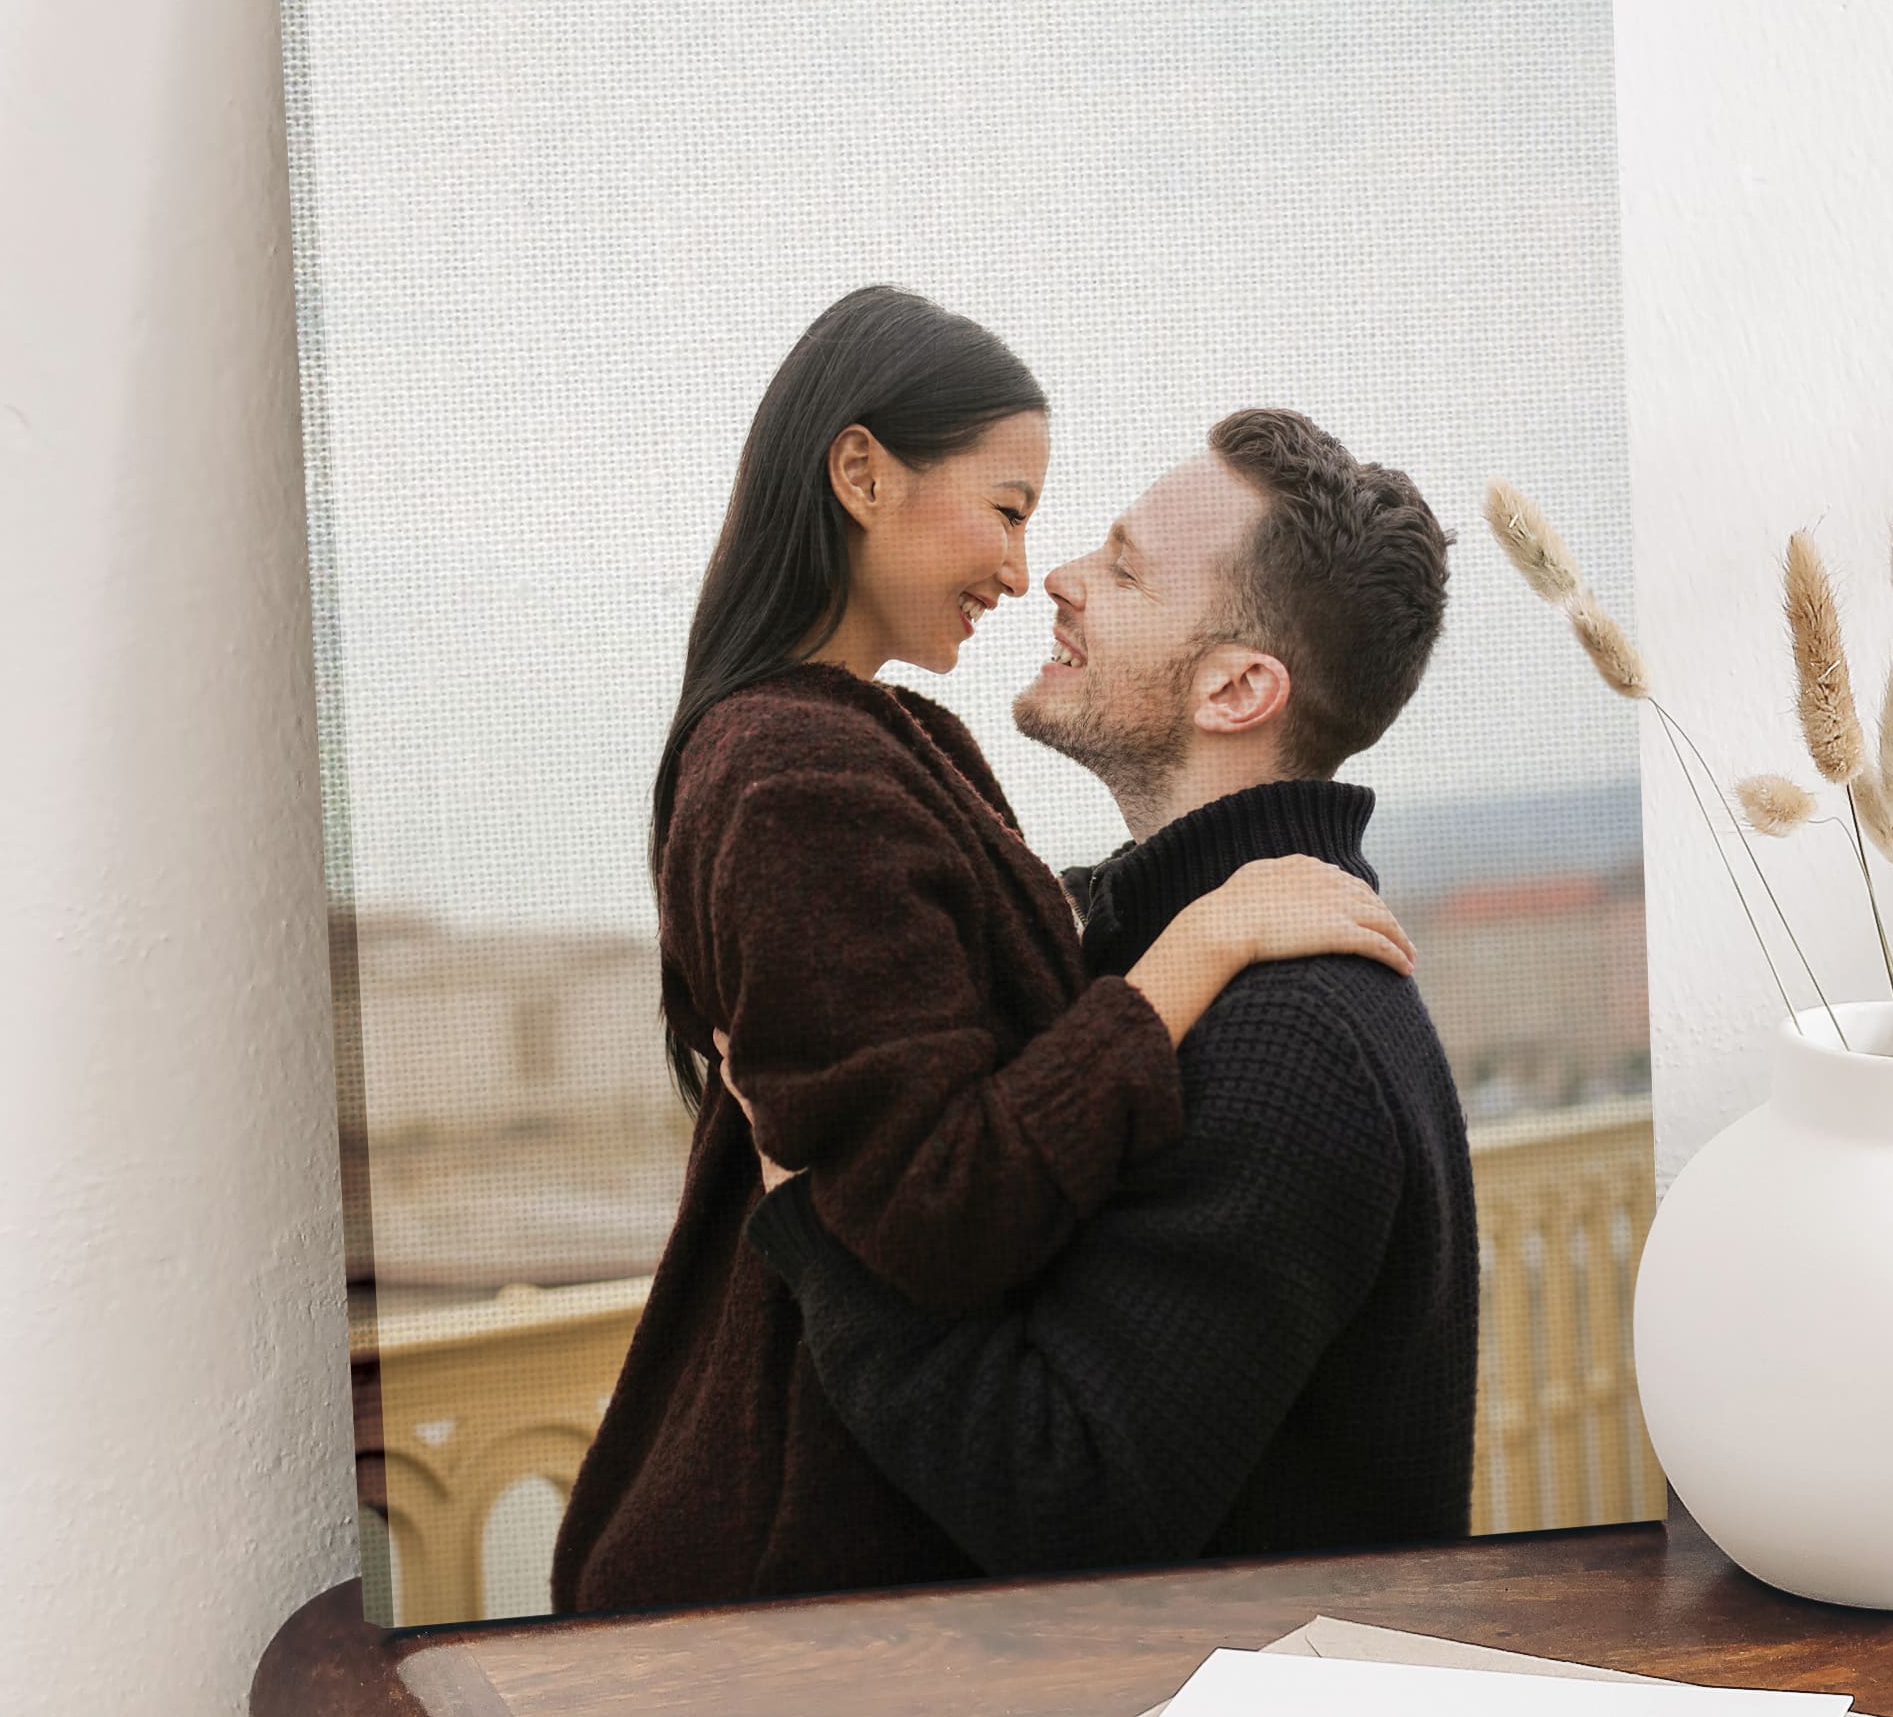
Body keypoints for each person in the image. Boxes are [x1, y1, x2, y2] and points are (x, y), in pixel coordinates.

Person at [553, 290, 1414, 1615]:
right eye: (1011, 511)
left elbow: (991, 986)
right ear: (859, 475)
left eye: (1112, 565)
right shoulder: (789, 770)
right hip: (790, 1587)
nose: (1035, 572)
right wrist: (1199, 935)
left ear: (1241, 688)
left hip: (859, 1601)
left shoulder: (904, 748)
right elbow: (940, 1198)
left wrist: (1183, 922)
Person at [748, 407, 1484, 1575]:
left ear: (1237, 690)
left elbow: (1061, 1495)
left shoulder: (1294, 1042)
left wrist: (814, 1219)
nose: (1057, 581)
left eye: (1125, 571)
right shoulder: (1162, 960)